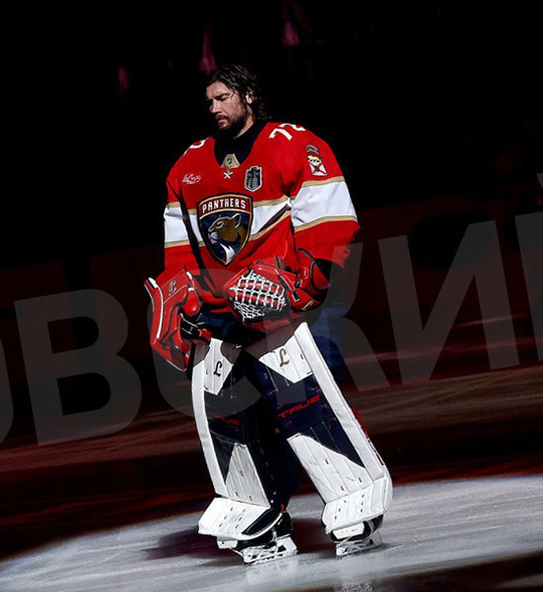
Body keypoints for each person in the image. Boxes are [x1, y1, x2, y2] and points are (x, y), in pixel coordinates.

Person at [144, 63, 391, 563]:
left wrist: (301, 284)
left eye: (222, 97)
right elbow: (180, 249)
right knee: (229, 418)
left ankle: (352, 504)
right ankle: (258, 517)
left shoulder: (293, 143)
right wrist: (181, 297)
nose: (212, 107)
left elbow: (329, 220)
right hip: (220, 316)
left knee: (304, 405)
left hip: (287, 312)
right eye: (208, 100)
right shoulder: (187, 166)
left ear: (249, 96)